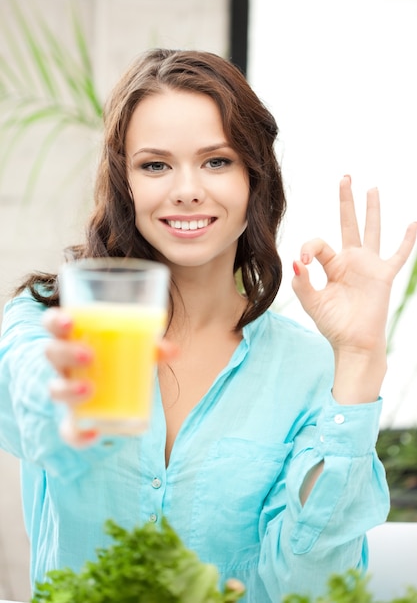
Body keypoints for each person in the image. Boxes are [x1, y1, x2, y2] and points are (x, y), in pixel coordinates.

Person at [0, 48, 415, 603]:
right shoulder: (49, 322)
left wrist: (362, 359)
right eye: (155, 165)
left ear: (254, 177)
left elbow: (307, 589)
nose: (186, 189)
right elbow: (21, 390)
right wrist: (57, 390)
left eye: (216, 161)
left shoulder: (311, 372)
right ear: (126, 183)